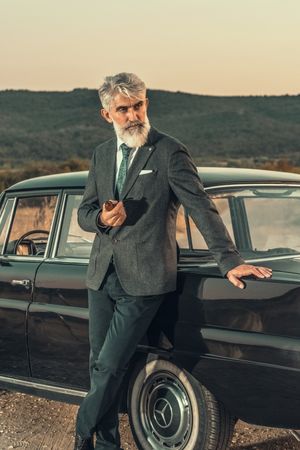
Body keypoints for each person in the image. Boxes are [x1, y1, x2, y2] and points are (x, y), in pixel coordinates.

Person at [74, 72, 272, 450]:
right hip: (101, 275)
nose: (133, 115)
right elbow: (84, 212)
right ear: (106, 114)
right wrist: (100, 218)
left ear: (147, 103)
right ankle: (104, 446)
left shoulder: (169, 151)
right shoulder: (101, 155)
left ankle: (81, 435)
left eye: (139, 105)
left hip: (146, 279)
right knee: (98, 366)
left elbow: (201, 206)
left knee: (112, 366)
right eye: (123, 109)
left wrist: (228, 260)